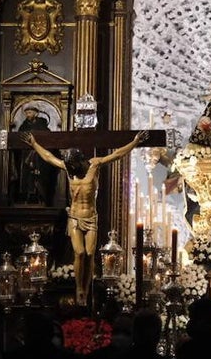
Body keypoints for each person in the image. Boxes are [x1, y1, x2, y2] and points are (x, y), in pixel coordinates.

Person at [24, 130, 147, 306]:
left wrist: (135, 142)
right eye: (70, 165)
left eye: (73, 165)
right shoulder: (68, 168)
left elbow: (117, 154)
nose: (72, 168)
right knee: (79, 253)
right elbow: (49, 158)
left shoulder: (94, 165)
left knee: (90, 254)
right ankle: (79, 289)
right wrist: (35, 144)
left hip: (91, 218)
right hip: (74, 217)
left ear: (80, 161)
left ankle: (86, 288)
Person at [13, 107, 55, 205]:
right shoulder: (23, 126)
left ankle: (39, 196)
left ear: (36, 114)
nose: (28, 115)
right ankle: (25, 196)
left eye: (30, 112)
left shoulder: (42, 126)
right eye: (26, 113)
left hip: (39, 157)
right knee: (26, 177)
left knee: (38, 176)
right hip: (25, 156)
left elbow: (47, 140)